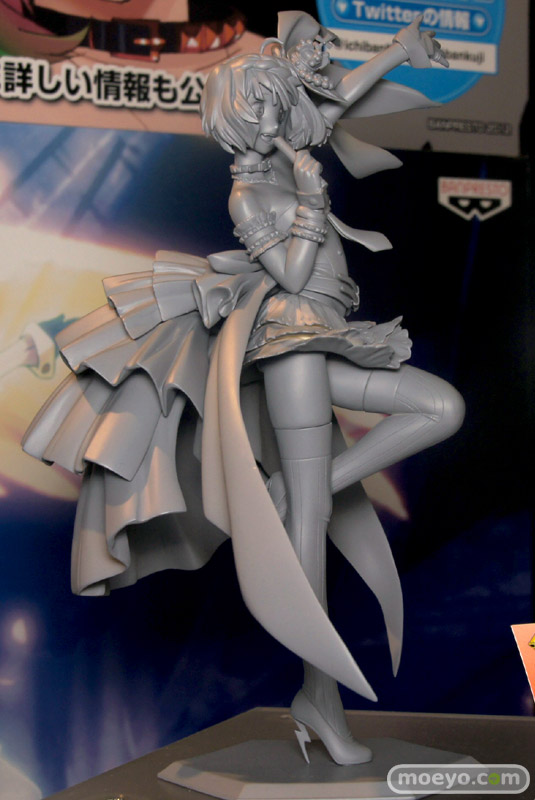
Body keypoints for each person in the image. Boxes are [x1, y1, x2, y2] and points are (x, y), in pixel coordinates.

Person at [23, 12, 464, 766]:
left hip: (328, 334)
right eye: (254, 106)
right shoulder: (248, 195)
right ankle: (321, 699)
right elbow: (290, 275)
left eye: (273, 101)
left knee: (439, 407)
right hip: (290, 342)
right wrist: (312, 201)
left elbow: (335, 100)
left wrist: (397, 48)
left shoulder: (290, 147)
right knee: (312, 527)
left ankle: (292, 498)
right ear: (230, 119)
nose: (269, 117)